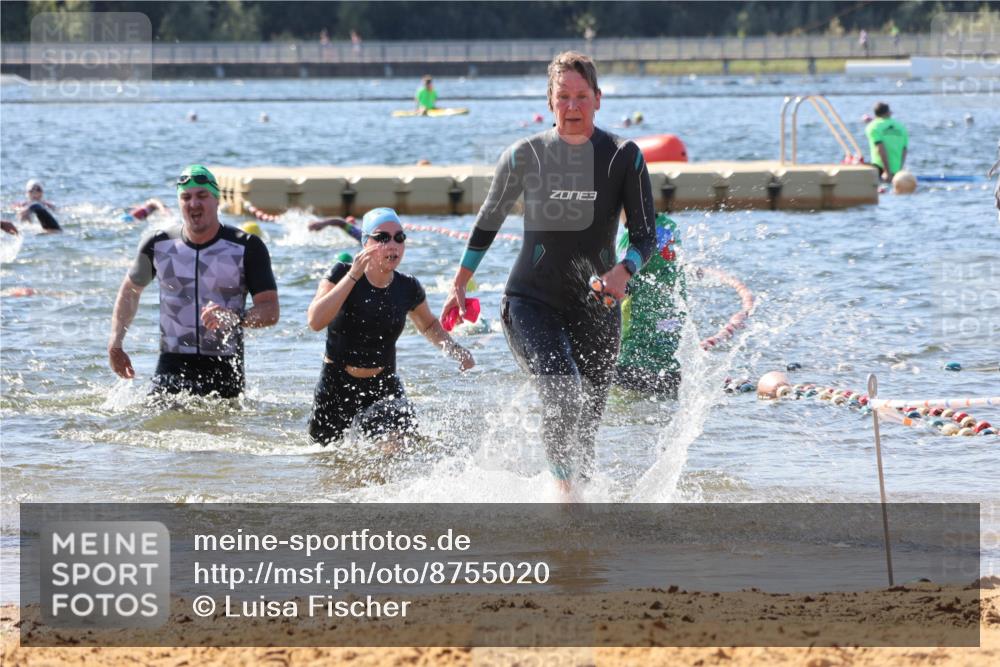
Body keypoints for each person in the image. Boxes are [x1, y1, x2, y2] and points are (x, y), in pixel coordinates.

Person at [440, 51, 656, 495]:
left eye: (581, 96)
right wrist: (460, 282)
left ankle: (580, 517)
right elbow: (488, 220)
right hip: (529, 301)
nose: (572, 106)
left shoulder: (623, 157)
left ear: (597, 99)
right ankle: (563, 500)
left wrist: (625, 271)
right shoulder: (525, 155)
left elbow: (645, 237)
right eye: (563, 97)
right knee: (562, 390)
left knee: (587, 425)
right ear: (550, 100)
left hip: (597, 304)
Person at [108, 165, 279, 399]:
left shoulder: (247, 247)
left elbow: (270, 311)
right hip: (171, 363)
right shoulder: (158, 245)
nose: (194, 204)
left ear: (217, 200)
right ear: (179, 202)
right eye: (186, 197)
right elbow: (131, 290)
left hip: (225, 366)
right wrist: (115, 343)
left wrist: (236, 318)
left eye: (202, 196)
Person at [306, 207, 473, 446]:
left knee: (401, 442)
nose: (392, 244)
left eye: (399, 237)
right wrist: (353, 276)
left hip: (384, 385)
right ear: (366, 243)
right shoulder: (341, 273)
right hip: (336, 386)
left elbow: (428, 325)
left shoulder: (408, 287)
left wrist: (455, 350)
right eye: (382, 237)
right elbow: (315, 320)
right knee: (326, 458)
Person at [614, 212, 686, 397]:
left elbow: (620, 287)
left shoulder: (633, 239)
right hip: (671, 361)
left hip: (633, 360)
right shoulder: (669, 226)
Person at [865, 102, 908, 183]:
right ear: (888, 112)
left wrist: (887, 172)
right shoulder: (901, 127)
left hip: (881, 171)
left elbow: (880, 149)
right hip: (897, 171)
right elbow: (904, 149)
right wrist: (900, 171)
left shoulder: (872, 127)